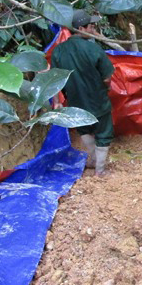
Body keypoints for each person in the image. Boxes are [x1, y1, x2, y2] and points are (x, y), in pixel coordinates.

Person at [51, 10, 114, 176]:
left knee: (84, 130)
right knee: (103, 133)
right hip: (98, 101)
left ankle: (93, 160)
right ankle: (100, 170)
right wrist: (107, 87)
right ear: (81, 28)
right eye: (91, 26)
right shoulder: (93, 49)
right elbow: (107, 77)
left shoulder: (58, 51)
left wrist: (57, 101)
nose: (93, 30)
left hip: (76, 104)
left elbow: (54, 80)